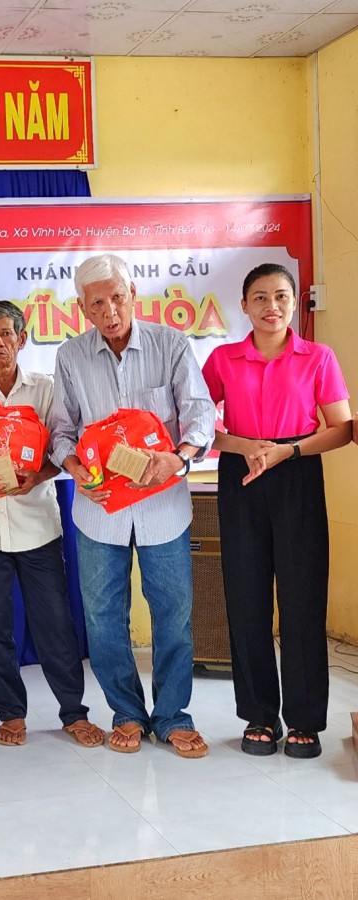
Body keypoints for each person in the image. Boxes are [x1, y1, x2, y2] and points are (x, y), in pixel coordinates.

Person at [50, 254, 216, 758]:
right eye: (96, 303)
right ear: (83, 308)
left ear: (133, 295)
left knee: (173, 615)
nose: (109, 311)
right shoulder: (71, 356)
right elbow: (62, 429)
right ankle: (126, 712)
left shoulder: (171, 344)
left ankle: (172, 716)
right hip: (99, 513)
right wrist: (74, 467)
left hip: (164, 509)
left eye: (117, 298)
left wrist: (178, 458)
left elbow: (200, 416)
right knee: (103, 618)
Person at [202, 264, 351, 759]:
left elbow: (342, 428)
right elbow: (196, 425)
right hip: (241, 474)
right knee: (245, 598)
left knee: (302, 598)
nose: (272, 306)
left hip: (297, 471)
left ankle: (305, 720)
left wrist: (289, 451)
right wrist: (245, 445)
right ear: (244, 305)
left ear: (294, 301)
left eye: (282, 296)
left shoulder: (318, 357)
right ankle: (260, 715)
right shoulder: (222, 359)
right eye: (261, 297)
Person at [0, 301, 103, 748]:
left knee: (55, 624)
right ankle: (11, 715)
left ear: (22, 339)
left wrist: (39, 475)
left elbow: (63, 450)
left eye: (6, 334)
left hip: (37, 528)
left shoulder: (46, 391)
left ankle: (73, 713)